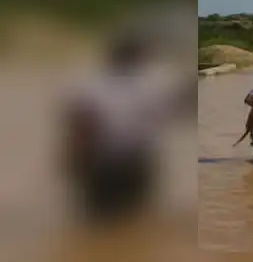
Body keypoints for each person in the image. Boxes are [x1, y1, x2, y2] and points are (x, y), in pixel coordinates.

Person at [61, 32, 194, 226]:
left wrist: (72, 162)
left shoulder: (90, 84)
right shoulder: (153, 84)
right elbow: (181, 107)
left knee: (98, 221)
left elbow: (78, 129)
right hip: (132, 161)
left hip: (102, 163)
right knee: (134, 219)